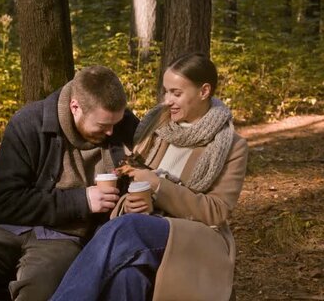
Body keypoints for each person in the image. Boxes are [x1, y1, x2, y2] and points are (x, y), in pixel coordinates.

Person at [51, 52, 249, 301]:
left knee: (127, 227)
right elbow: (132, 183)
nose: (168, 101)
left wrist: (157, 186)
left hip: (195, 236)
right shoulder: (156, 129)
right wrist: (131, 203)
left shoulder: (231, 145)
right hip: (146, 231)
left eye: (176, 93)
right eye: (166, 92)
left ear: (204, 91)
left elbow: (217, 211)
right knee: (128, 278)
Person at [0, 65, 139, 301]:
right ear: (75, 107)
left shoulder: (125, 128)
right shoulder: (28, 123)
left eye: (115, 123)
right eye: (103, 126)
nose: (111, 132)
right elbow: (4, 201)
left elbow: (141, 182)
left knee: (44, 282)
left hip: (65, 236)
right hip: (5, 226)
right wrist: (81, 200)